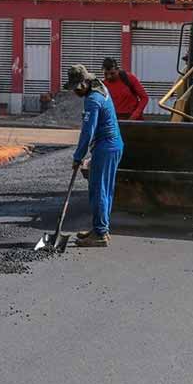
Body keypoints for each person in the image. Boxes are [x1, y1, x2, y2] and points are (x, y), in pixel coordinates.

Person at [65, 64, 124, 248]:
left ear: (84, 83)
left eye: (76, 88)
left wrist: (78, 156)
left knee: (99, 190)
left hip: (106, 147)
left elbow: (87, 132)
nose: (74, 92)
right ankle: (101, 229)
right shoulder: (100, 87)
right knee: (103, 189)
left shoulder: (93, 99)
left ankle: (100, 233)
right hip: (112, 145)